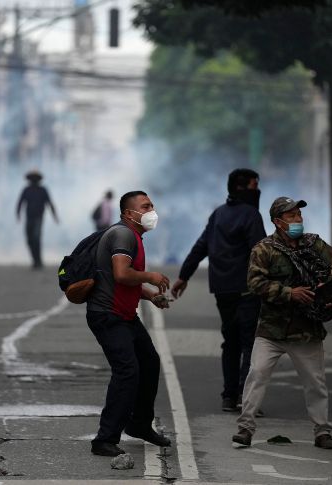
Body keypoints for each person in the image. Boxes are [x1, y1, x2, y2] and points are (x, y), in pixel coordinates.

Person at [232, 196, 332, 450]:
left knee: (315, 382)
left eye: (299, 215)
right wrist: (288, 293)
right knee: (257, 374)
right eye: (292, 216)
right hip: (272, 328)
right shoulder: (264, 249)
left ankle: (322, 432)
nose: (298, 220)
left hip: (306, 329)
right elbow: (255, 283)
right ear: (278, 221)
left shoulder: (314, 244)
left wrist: (330, 290)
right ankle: (245, 429)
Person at [171, 169, 266, 412]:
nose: (257, 189)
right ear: (241, 187)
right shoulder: (251, 215)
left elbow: (200, 246)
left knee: (230, 342)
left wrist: (184, 276)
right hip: (246, 290)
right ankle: (245, 399)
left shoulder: (218, 214)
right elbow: (262, 253)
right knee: (248, 344)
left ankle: (228, 396)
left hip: (222, 291)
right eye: (255, 185)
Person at [86, 190, 173, 456]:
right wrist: (152, 277)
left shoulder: (133, 235)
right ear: (128, 213)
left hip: (124, 315)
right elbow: (122, 274)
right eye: (145, 207)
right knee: (127, 371)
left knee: (149, 362)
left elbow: (119, 282)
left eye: (151, 205)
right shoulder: (123, 234)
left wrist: (149, 296)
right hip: (108, 315)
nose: (151, 211)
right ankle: (104, 438)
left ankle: (139, 425)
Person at [16, 170, 59, 268]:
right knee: (29, 240)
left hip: (38, 218)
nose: (34, 180)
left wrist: (55, 216)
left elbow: (50, 203)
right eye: (32, 178)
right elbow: (20, 202)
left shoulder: (43, 190)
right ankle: (35, 260)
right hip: (29, 218)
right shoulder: (26, 190)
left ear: (38, 180)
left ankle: (38, 261)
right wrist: (18, 214)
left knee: (36, 238)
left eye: (35, 178)